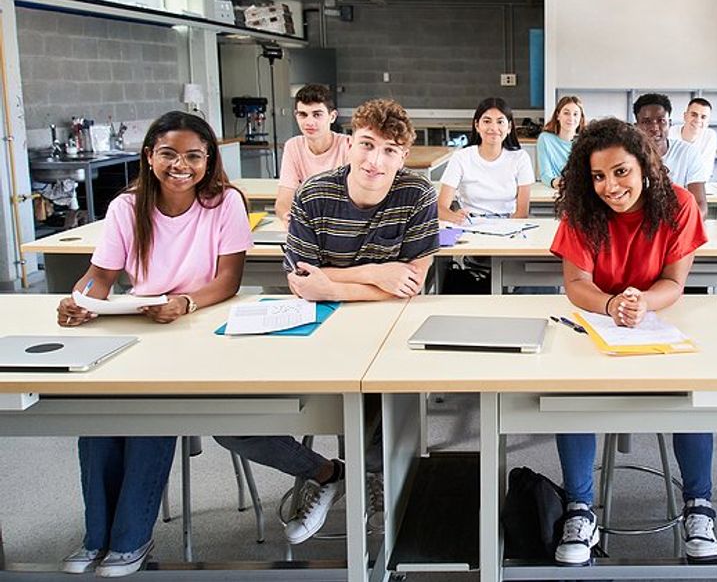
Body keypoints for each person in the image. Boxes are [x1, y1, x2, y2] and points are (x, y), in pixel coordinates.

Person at [216, 98, 440, 545]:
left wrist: (332, 284)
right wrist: (377, 273)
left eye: (390, 151)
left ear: (403, 157)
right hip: (310, 327)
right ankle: (325, 473)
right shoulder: (315, 194)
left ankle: (375, 478)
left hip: (385, 331)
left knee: (379, 405)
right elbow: (302, 283)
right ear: (350, 142)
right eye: (367, 145)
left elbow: (411, 284)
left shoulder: (417, 194)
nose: (375, 161)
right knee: (230, 420)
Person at [56, 112, 251, 577]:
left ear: (208, 160)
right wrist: (80, 301)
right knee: (97, 415)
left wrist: (184, 303)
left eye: (192, 156)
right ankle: (95, 539)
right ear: (149, 156)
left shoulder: (225, 203)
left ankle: (129, 540)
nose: (179, 164)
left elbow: (228, 281)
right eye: (167, 153)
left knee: (149, 417)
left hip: (201, 324)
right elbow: (101, 277)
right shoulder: (128, 206)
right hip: (142, 326)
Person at [548, 118, 716, 566]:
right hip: (597, 320)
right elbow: (576, 282)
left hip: (656, 319)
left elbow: (674, 282)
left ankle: (699, 504)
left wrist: (642, 301)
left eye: (620, 171)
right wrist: (611, 306)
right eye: (598, 176)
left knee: (696, 391)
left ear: (645, 165)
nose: (609, 186)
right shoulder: (583, 209)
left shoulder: (678, 204)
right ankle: (579, 507)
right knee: (572, 393)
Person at [438, 96, 534, 223]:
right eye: (487, 121)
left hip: (509, 225)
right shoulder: (461, 157)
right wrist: (454, 217)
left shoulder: (520, 158)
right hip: (469, 224)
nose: (494, 128)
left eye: (500, 122)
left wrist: (507, 227)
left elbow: (522, 213)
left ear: (509, 127)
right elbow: (440, 208)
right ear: (477, 125)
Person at [275, 84, 351, 223]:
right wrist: (287, 216)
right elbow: (284, 199)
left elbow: (353, 201)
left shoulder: (348, 146)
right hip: (307, 223)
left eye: (317, 115)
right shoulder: (293, 146)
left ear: (332, 116)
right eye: (303, 115)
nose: (309, 122)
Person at [632, 93, 709, 217]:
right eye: (646, 122)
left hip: (677, 225)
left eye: (661, 121)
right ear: (636, 127)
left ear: (670, 123)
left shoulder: (688, 153)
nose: (655, 127)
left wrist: (675, 229)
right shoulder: (628, 157)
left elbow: (700, 206)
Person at [537, 95, 585, 188]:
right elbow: (545, 174)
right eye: (566, 113)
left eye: (575, 114)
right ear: (558, 115)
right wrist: (555, 182)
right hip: (555, 191)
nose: (571, 118)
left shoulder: (586, 141)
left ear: (580, 119)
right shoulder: (545, 139)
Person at [675, 97, 717, 180]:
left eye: (703, 117)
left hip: (697, 185)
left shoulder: (710, 136)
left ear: (708, 121)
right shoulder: (670, 133)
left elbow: (705, 172)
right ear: (685, 116)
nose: (698, 120)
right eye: (694, 115)